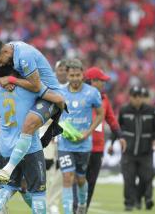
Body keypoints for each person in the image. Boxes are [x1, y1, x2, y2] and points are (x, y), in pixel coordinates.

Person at [0, 64, 64, 214]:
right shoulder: (29, 90)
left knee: (8, 186)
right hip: (29, 147)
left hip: (6, 145)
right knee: (38, 192)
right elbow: (58, 99)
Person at [0, 39, 65, 183]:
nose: (1, 64)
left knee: (27, 125)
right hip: (35, 93)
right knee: (6, 125)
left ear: (5, 52)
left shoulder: (24, 56)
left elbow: (35, 86)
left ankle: (8, 170)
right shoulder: (7, 49)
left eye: (0, 61)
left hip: (50, 95)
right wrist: (1, 81)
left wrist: (10, 79)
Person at [57, 59, 104, 214]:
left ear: (83, 75)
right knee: (67, 177)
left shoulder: (92, 93)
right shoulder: (60, 91)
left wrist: (88, 132)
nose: (75, 78)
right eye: (72, 75)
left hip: (84, 144)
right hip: (65, 143)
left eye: (78, 75)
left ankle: (82, 204)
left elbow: (100, 114)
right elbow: (53, 112)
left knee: (80, 179)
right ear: (67, 75)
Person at [85, 67, 127, 210]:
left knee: (90, 184)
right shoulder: (79, 96)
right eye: (101, 81)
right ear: (93, 81)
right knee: (77, 182)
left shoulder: (104, 99)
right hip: (80, 146)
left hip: (97, 148)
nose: (104, 83)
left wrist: (120, 136)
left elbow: (111, 119)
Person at [118, 86, 155, 211]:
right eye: (134, 96)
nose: (137, 99)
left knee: (147, 177)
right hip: (129, 151)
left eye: (140, 96)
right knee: (129, 179)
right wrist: (113, 142)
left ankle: (141, 198)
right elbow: (117, 128)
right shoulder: (124, 110)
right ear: (130, 97)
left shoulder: (152, 111)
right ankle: (129, 203)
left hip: (146, 151)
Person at [45, 59, 67, 214]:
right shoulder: (49, 87)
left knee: (60, 169)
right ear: (56, 71)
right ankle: (42, 199)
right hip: (47, 132)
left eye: (66, 70)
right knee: (45, 168)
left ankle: (53, 202)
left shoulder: (72, 90)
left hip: (65, 135)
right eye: (61, 69)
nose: (63, 72)